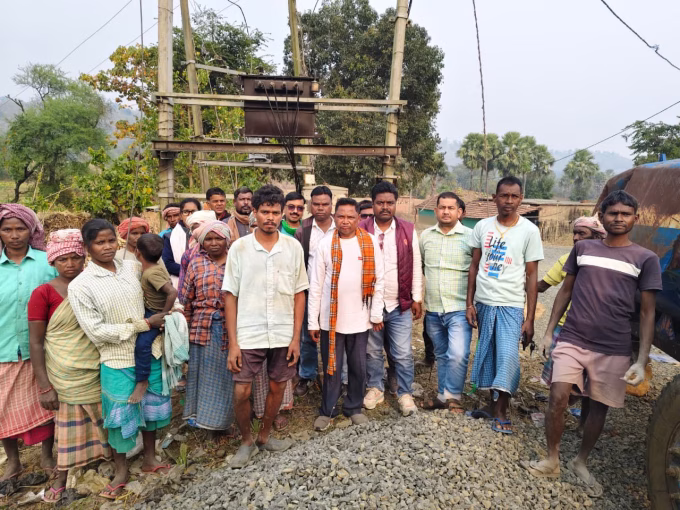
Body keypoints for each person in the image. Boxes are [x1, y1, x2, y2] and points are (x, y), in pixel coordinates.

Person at [523, 191, 662, 497]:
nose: (619, 218)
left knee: (598, 406)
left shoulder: (645, 259)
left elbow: (647, 312)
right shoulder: (583, 249)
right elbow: (565, 291)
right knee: (557, 396)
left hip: (613, 346)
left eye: (626, 214)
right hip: (573, 337)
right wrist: (549, 333)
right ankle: (552, 458)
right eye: (613, 213)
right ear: (602, 216)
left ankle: (580, 461)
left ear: (636, 218)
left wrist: (641, 360)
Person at [69, 219, 172, 499]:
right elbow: (96, 332)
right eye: (99, 243)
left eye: (111, 241)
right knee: (118, 417)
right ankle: (121, 470)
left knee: (150, 410)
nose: (107, 247)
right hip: (116, 359)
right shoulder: (81, 285)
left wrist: (166, 314)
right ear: (87, 247)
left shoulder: (132, 267)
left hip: (150, 351)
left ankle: (149, 458)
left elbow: (157, 290)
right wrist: (143, 325)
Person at [224, 184, 308, 468]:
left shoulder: (292, 247)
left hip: (283, 331)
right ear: (254, 213)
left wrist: (295, 338)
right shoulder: (240, 248)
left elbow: (299, 293)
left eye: (275, 212)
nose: (270, 217)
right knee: (242, 391)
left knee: (277, 386)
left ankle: (264, 437)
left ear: (281, 213)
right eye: (264, 212)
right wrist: (233, 343)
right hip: (249, 332)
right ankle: (246, 441)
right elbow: (230, 295)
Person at [28, 230, 112, 503]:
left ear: (84, 258)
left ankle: (106, 461)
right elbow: (36, 342)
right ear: (53, 262)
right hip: (64, 370)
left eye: (76, 257)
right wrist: (44, 386)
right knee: (67, 425)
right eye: (63, 259)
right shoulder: (43, 293)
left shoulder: (95, 285)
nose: (70, 264)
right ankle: (62, 476)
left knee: (102, 415)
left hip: (97, 364)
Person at [466, 176, 544, 434]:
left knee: (508, 356)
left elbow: (531, 275)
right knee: (489, 353)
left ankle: (502, 410)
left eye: (514, 196)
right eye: (504, 195)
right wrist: (469, 303)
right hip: (484, 302)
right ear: (495, 198)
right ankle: (491, 406)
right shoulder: (482, 226)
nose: (508, 201)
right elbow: (474, 266)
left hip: (511, 304)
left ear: (521, 199)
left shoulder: (529, 231)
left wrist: (529, 318)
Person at [309, 198, 385, 431]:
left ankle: (353, 407)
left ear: (359, 218)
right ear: (334, 217)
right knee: (331, 366)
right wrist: (313, 322)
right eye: (341, 216)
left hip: (360, 318)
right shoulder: (325, 244)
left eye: (351, 217)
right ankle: (328, 410)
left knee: (358, 365)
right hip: (330, 320)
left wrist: (376, 314)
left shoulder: (369, 242)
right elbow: (316, 285)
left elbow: (379, 279)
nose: (345, 221)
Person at [0, 204, 56, 481]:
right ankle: (13, 462)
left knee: (47, 404)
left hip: (43, 349)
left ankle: (47, 456)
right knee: (2, 409)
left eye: (20, 228)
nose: (14, 235)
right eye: (7, 229)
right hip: (3, 349)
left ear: (31, 230)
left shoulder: (48, 264)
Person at [538, 216, 607, 429]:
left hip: (598, 331)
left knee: (590, 385)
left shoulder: (608, 262)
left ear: (596, 236)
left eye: (581, 233)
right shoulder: (567, 259)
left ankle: (582, 425)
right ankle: (556, 417)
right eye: (574, 233)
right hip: (566, 327)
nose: (576, 238)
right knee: (560, 381)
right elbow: (544, 286)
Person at [360, 181, 421, 416]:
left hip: (399, 303)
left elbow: (415, 265)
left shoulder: (407, 229)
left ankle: (405, 393)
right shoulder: (362, 229)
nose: (385, 207)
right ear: (373, 204)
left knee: (402, 352)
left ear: (396, 204)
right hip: (370, 304)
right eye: (380, 203)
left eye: (390, 203)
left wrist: (416, 297)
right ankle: (375, 387)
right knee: (372, 350)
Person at [419, 192, 473, 413]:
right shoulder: (426, 236)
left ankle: (454, 397)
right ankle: (444, 396)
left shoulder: (471, 237)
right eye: (442, 207)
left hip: (459, 308)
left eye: (451, 208)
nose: (446, 211)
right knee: (441, 355)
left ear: (459, 212)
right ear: (436, 210)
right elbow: (422, 267)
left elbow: (476, 271)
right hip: (433, 308)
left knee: (458, 354)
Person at [180, 220, 236, 436]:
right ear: (202, 242)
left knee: (226, 376)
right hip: (201, 327)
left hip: (231, 327)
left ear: (227, 240)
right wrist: (184, 331)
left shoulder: (236, 260)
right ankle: (205, 422)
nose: (213, 243)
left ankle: (225, 422)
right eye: (209, 239)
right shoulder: (196, 264)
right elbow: (186, 300)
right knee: (204, 377)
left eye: (218, 239)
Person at [294, 186, 337, 396]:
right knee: (308, 338)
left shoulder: (341, 226)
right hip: (309, 293)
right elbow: (297, 263)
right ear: (311, 205)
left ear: (331, 205)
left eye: (325, 204)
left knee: (335, 336)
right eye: (316, 204)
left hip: (336, 294)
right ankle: (307, 375)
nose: (320, 208)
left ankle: (334, 376)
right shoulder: (303, 230)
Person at [130, 234, 178, 404]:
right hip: (151, 310)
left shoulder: (151, 273)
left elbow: (172, 292)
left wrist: (163, 315)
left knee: (142, 345)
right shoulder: (157, 267)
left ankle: (142, 380)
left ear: (137, 252)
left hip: (154, 313)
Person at [162, 198, 200, 286]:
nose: (190, 215)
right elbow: (167, 263)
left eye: (193, 212)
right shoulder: (169, 237)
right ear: (181, 215)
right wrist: (192, 272)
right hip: (180, 282)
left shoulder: (208, 234)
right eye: (186, 212)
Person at [178, 210, 217, 291]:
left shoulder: (226, 253)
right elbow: (183, 288)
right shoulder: (188, 255)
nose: (197, 233)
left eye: (200, 229)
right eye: (194, 230)